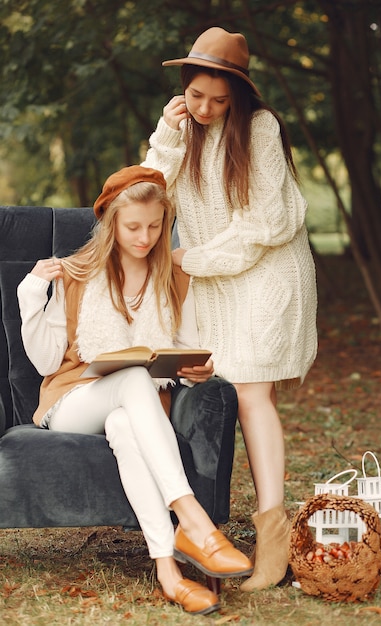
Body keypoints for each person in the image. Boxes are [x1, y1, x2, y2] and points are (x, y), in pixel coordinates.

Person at [17, 165, 253, 615]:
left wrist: (195, 370)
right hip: (73, 400)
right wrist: (33, 291)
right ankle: (195, 522)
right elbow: (48, 363)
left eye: (154, 225)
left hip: (138, 408)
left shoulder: (173, 277)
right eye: (132, 227)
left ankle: (168, 572)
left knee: (126, 423)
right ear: (110, 222)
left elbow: (184, 350)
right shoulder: (77, 275)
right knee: (129, 377)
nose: (144, 237)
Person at [142, 27, 318, 591]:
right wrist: (168, 135)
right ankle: (216, 524)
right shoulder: (182, 129)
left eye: (220, 100)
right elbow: (146, 190)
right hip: (218, 279)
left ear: (239, 93)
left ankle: (273, 536)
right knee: (214, 387)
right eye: (196, 96)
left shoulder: (259, 128)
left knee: (251, 392)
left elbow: (268, 222)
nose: (207, 108)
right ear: (183, 88)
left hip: (266, 271)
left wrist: (193, 257)